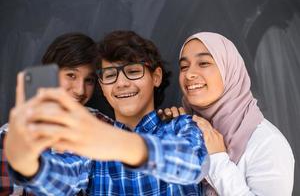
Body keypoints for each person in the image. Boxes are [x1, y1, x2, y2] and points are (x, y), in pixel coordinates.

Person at [4, 30, 209, 195]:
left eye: (133, 71)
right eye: (110, 75)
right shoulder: (92, 145)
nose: (121, 83)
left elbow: (194, 164)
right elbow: (64, 176)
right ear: (102, 86)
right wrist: (28, 164)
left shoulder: (180, 125)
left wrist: (119, 143)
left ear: (155, 77)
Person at [177, 32, 294, 195]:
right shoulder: (186, 130)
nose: (189, 74)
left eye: (203, 63)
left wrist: (217, 159)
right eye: (184, 66)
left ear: (230, 69)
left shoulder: (267, 143)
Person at [0, 32, 111, 195]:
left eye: (89, 80)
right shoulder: (11, 136)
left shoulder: (104, 126)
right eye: (71, 75)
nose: (80, 90)